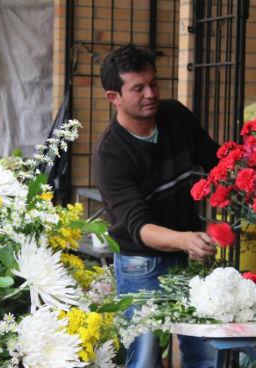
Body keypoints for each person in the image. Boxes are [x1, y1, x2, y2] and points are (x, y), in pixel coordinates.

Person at [92, 43, 219, 368]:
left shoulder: (175, 114)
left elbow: (216, 159)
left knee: (203, 350)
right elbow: (140, 226)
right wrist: (186, 238)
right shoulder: (111, 155)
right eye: (138, 88)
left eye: (153, 83)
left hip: (186, 257)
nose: (150, 93)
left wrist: (253, 173)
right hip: (140, 264)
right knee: (145, 357)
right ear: (114, 97)